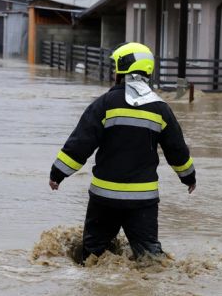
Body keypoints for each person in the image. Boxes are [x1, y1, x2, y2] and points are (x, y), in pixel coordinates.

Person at [49, 42, 196, 262]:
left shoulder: (104, 104)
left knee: (93, 257)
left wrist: (57, 174)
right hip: (142, 201)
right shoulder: (161, 109)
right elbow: (177, 151)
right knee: (150, 259)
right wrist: (189, 178)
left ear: (123, 68)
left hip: (104, 199)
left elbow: (80, 144)